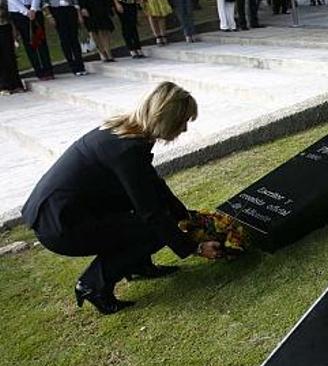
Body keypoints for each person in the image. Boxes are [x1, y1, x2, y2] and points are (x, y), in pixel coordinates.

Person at [22, 82, 224, 315]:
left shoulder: (125, 132)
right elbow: (151, 213)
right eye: (182, 122)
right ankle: (93, 285)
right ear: (165, 118)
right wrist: (195, 247)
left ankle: (138, 266)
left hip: (65, 213)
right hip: (61, 226)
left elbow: (152, 184)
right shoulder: (126, 150)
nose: (184, 130)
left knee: (158, 222)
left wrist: (186, 215)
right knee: (154, 229)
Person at [0, 0, 54, 79]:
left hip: (34, 10)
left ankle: (48, 70)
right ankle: (39, 71)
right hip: (19, 12)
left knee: (41, 40)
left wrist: (34, 9)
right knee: (30, 42)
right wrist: (25, 11)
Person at [36, 0, 87, 76]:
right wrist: (49, 16)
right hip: (56, 10)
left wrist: (78, 12)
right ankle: (72, 65)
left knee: (74, 37)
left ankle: (80, 64)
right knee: (65, 38)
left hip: (69, 8)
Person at [0, 0, 25, 94]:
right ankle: (3, 86)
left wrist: (14, 28)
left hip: (5, 25)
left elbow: (8, 7)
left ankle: (16, 84)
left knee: (9, 55)